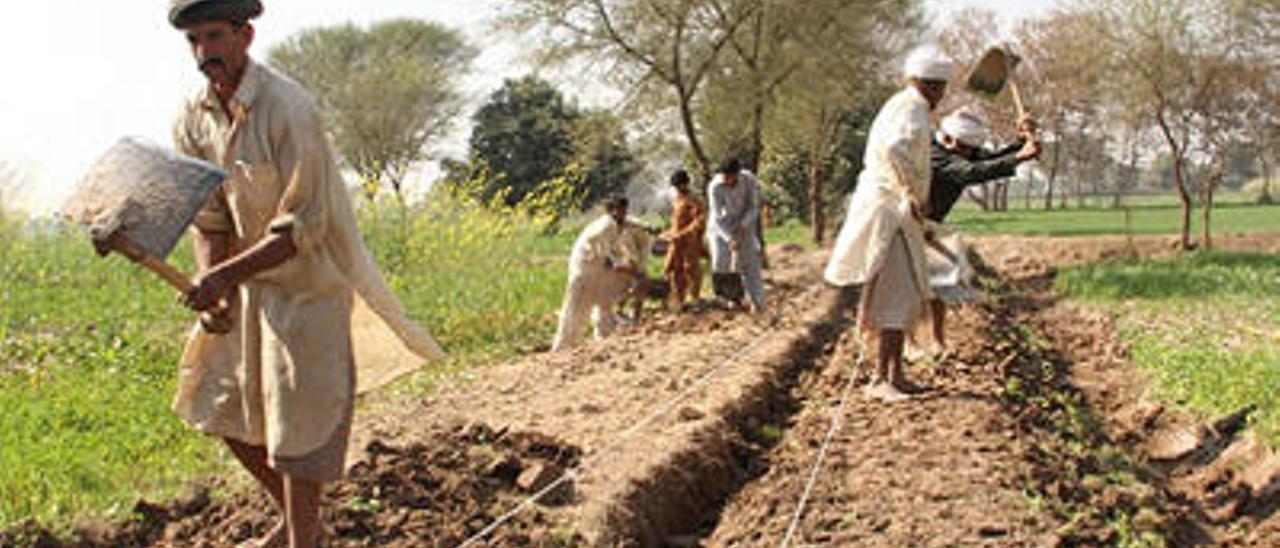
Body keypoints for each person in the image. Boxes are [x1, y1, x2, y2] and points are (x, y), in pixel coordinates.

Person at [168, 2, 445, 546]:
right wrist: (213, 282)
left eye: (216, 37)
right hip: (242, 287)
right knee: (218, 406)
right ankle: (303, 527)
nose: (206, 53)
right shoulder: (192, 115)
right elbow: (209, 215)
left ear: (245, 35)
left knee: (298, 431)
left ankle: (301, 539)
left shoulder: (289, 107)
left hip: (308, 286)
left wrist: (223, 277)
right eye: (195, 41)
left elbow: (302, 227)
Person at [824, 45, 954, 402]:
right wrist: (909, 191)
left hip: (896, 213)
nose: (941, 96)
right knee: (895, 296)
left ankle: (896, 374)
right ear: (930, 85)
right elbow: (896, 149)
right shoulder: (912, 106)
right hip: (893, 213)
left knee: (905, 293)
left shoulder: (904, 105)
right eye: (940, 88)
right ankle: (883, 379)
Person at [923, 107, 1042, 351]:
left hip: (933, 225)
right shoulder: (934, 155)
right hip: (908, 223)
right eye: (965, 149)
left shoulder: (962, 150)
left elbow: (989, 161)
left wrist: (1021, 140)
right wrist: (1020, 156)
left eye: (971, 150)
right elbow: (971, 172)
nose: (969, 154)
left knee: (941, 282)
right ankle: (911, 341)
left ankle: (936, 340)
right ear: (946, 138)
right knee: (907, 290)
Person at [552, 195, 652, 350]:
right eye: (620, 210)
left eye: (625, 210)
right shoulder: (604, 228)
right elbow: (610, 262)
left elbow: (631, 223)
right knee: (576, 310)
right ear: (611, 211)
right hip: (586, 269)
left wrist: (647, 227)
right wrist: (635, 273)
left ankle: (603, 340)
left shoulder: (618, 222)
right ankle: (562, 347)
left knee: (605, 302)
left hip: (599, 271)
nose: (623, 214)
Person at [707, 158, 766, 314]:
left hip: (744, 223)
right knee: (721, 262)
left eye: (729, 177)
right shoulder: (714, 187)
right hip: (720, 228)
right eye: (724, 176)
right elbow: (717, 217)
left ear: (737, 174)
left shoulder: (749, 180)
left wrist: (742, 227)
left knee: (750, 264)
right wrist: (729, 238)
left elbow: (753, 206)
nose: (726, 180)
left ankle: (758, 303)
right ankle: (732, 300)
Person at [662, 169, 707, 308]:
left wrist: (684, 233)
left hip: (689, 242)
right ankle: (678, 299)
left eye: (679, 185)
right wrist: (668, 233)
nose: (677, 189)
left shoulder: (694, 200)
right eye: (675, 186)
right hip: (676, 242)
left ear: (686, 184)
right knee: (674, 269)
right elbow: (675, 221)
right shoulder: (677, 200)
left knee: (691, 269)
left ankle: (695, 299)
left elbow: (698, 222)